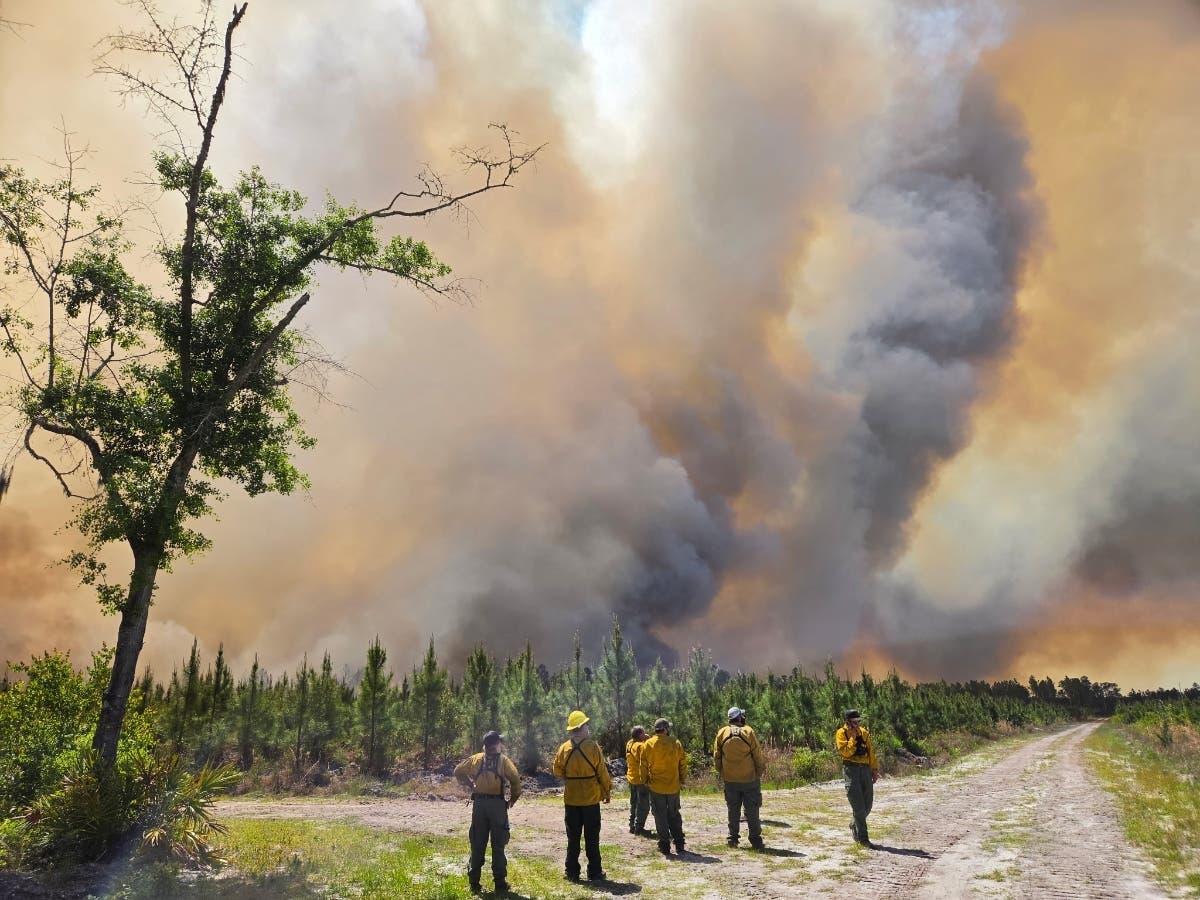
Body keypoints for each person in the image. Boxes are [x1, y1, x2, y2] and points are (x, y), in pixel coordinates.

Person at [453, 730, 522, 895]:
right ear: (497, 744)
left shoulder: (476, 759)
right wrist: (512, 800)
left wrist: (471, 786)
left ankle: (474, 882)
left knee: (477, 843)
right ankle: (500, 883)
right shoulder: (504, 761)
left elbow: (457, 771)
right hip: (497, 805)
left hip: (479, 805)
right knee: (498, 845)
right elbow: (515, 781)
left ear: (485, 746)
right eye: (500, 742)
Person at [552, 710, 612, 883]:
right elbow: (602, 772)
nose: (588, 726)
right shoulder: (593, 746)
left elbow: (556, 770)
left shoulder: (564, 747)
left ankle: (571, 872)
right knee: (592, 837)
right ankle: (594, 872)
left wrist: (570, 778)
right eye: (586, 724)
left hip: (571, 798)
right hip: (591, 798)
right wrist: (606, 791)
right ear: (581, 727)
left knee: (573, 837)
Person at [713, 706, 766, 849]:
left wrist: (723, 773)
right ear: (740, 717)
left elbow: (716, 757)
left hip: (730, 780)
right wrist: (759, 772)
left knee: (733, 810)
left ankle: (732, 839)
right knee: (752, 811)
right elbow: (758, 756)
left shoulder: (721, 733)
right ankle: (755, 840)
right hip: (749, 779)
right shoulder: (748, 731)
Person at [641, 717, 688, 856]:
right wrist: (682, 780)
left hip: (656, 787)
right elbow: (682, 763)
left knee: (660, 816)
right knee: (674, 814)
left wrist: (646, 781)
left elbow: (642, 766)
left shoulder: (648, 744)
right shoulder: (676, 743)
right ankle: (679, 843)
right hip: (673, 786)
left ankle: (665, 845)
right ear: (666, 729)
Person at [835, 708, 879, 848]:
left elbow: (870, 752)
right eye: (855, 722)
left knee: (868, 805)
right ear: (848, 722)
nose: (857, 724)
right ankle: (863, 839)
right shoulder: (841, 734)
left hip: (865, 770)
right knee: (858, 807)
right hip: (851, 770)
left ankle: (854, 823)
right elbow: (846, 753)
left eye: (859, 721)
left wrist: (874, 769)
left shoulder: (864, 732)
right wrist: (853, 738)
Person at [626, 725, 652, 836]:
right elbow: (648, 752)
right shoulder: (640, 746)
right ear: (640, 734)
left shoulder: (629, 743)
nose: (645, 734)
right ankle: (639, 828)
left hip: (631, 778)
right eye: (643, 733)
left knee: (634, 803)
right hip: (640, 779)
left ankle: (632, 826)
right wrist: (649, 739)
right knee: (643, 805)